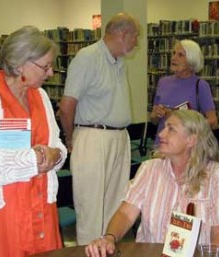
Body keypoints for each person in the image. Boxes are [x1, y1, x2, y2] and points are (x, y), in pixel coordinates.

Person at [0, 25, 67, 257]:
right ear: (20, 64)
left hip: (39, 206)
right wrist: (38, 157)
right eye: (45, 66)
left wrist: (56, 156)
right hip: (1, 213)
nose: (50, 73)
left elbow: (57, 145)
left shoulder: (41, 96)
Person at [85, 109, 219, 257]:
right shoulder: (149, 169)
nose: (161, 134)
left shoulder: (215, 175)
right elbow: (125, 214)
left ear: (192, 140)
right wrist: (109, 237)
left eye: (171, 129)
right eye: (164, 127)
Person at [59, 12, 140, 245]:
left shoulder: (120, 62)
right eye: (135, 36)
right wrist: (70, 137)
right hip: (93, 137)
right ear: (122, 34)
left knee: (115, 205)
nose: (136, 42)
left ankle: (108, 249)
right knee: (91, 208)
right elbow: (67, 106)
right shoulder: (87, 57)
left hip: (119, 138)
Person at [151, 39, 218, 145]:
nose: (174, 58)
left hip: (187, 148)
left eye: (180, 55)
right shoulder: (163, 82)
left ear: (191, 60)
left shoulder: (201, 85)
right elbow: (154, 120)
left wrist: (185, 123)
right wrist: (156, 114)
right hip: (162, 145)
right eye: (173, 53)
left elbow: (213, 121)